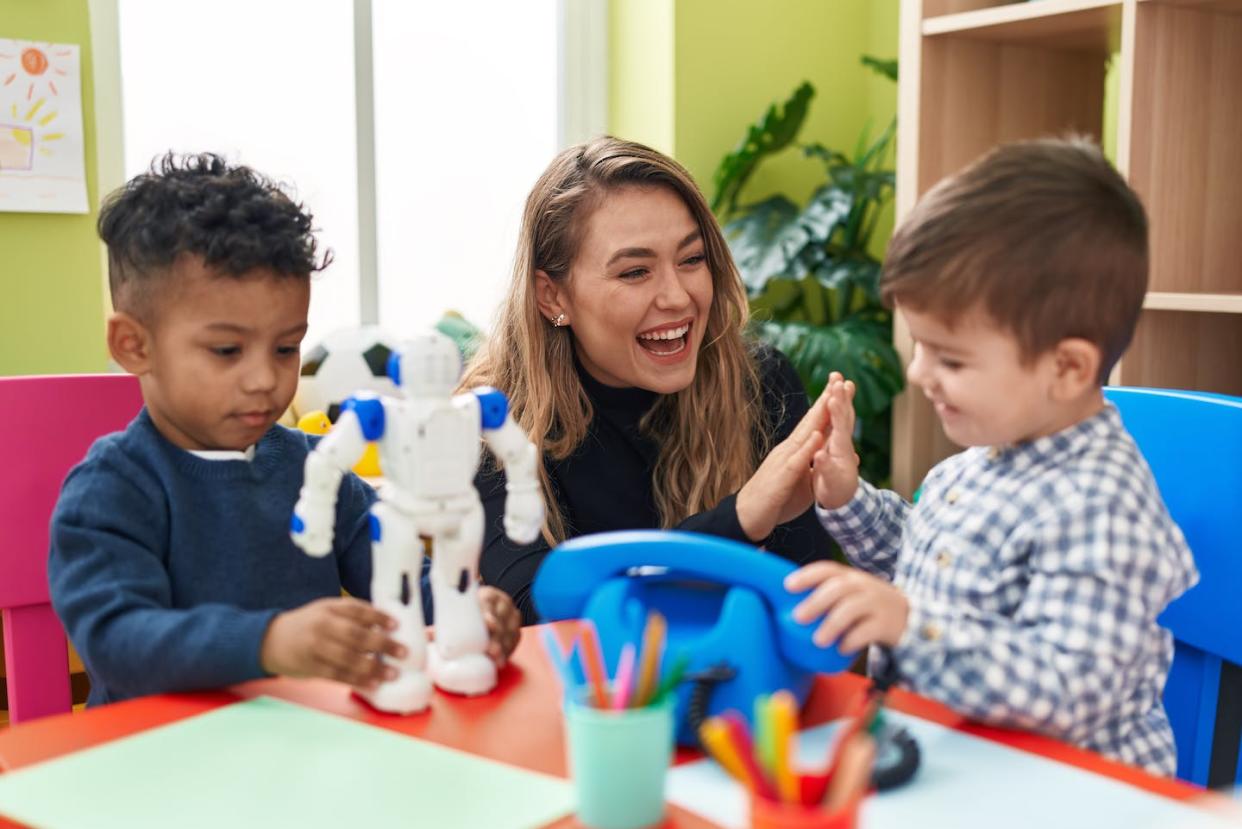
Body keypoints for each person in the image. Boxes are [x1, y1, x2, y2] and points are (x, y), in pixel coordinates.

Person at [785, 137, 1198, 775]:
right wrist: (847, 496)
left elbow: (1064, 689)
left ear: (1066, 367)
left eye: (950, 358)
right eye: (920, 346)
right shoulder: (981, 456)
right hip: (966, 764)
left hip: (1077, 795)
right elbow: (934, 562)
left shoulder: (1103, 506)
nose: (920, 373)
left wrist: (908, 624)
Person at [48, 153, 521, 707]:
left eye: (285, 347)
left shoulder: (320, 471)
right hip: (160, 760)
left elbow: (403, 579)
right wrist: (270, 642)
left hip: (309, 747)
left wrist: (466, 607)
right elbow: (117, 641)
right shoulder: (111, 488)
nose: (264, 379)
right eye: (227, 350)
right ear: (135, 345)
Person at [461, 136, 837, 624]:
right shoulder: (492, 419)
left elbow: (812, 608)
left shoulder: (761, 383)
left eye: (691, 259)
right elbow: (539, 612)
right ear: (552, 297)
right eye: (636, 271)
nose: (678, 296)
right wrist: (740, 520)